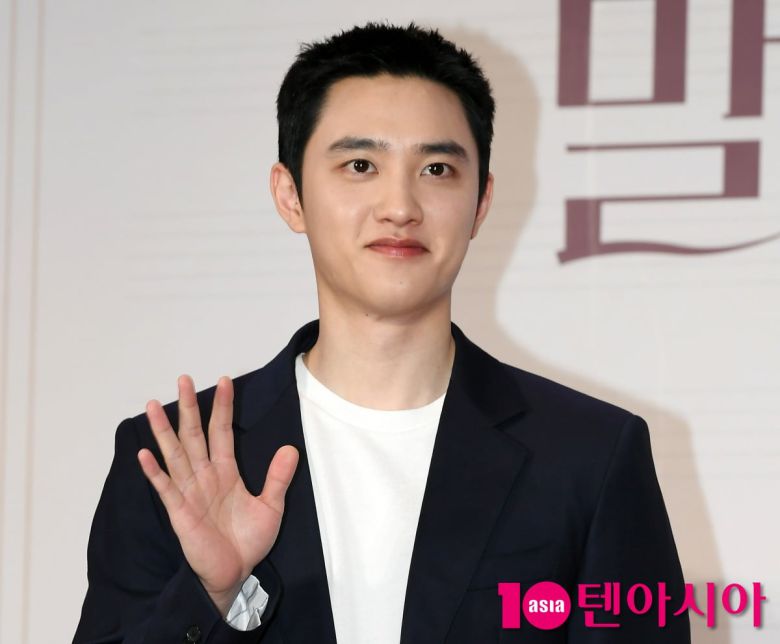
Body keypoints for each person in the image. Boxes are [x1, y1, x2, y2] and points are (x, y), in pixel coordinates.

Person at [73, 22, 690, 643]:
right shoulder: (178, 460)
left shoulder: (589, 457)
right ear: (290, 195)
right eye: (361, 165)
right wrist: (212, 596)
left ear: (480, 203)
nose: (400, 207)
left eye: (437, 169)